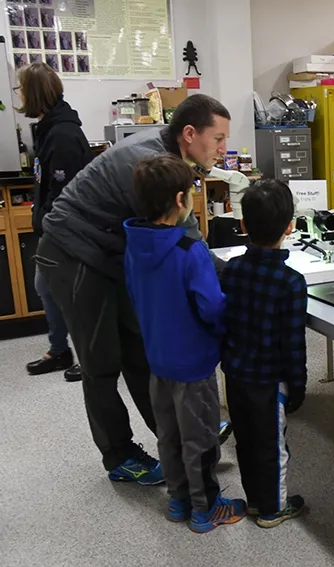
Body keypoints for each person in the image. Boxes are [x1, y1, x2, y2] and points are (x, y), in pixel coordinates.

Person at [35, 94, 232, 485]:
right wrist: (239, 277)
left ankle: (174, 437)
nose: (224, 149)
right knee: (101, 362)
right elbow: (183, 240)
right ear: (189, 133)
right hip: (72, 254)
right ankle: (119, 455)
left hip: (106, 255)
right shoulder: (148, 164)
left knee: (139, 348)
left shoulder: (168, 155)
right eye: (219, 138)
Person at [123, 154, 246, 532]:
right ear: (180, 200)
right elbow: (210, 306)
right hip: (193, 365)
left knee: (169, 435)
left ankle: (177, 500)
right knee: (202, 439)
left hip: (157, 361)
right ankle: (206, 508)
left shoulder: (133, 245)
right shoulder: (189, 250)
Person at [220, 179, 308, 528]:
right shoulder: (291, 282)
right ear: (290, 227)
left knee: (246, 441)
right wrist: (298, 388)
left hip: (236, 376)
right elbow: (293, 343)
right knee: (272, 447)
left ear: (242, 226)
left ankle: (256, 500)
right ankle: (274, 509)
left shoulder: (232, 270)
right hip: (269, 382)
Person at [17, 62, 92, 382]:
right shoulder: (48, 128)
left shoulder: (62, 135)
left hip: (65, 232)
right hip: (53, 229)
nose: (19, 95)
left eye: (21, 89)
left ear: (35, 94)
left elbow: (64, 195)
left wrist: (48, 225)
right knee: (45, 287)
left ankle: (89, 357)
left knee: (71, 295)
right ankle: (59, 350)